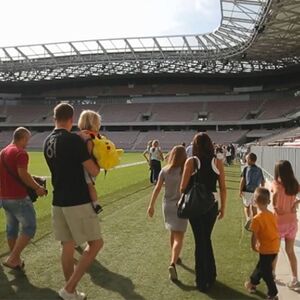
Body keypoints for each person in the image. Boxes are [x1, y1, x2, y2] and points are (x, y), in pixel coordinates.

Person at [43, 103, 103, 300]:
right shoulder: (74, 140)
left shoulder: (47, 141)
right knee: (96, 244)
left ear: (55, 118)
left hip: (58, 200)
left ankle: (72, 292)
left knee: (67, 246)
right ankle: (69, 289)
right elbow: (93, 171)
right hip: (77, 200)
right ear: (71, 118)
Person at [180, 132, 226, 292]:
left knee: (200, 241)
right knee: (206, 238)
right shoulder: (217, 161)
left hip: (196, 206)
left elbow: (182, 187)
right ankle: (211, 275)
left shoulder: (191, 161)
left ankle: (202, 280)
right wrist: (223, 207)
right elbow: (223, 187)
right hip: (212, 205)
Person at [0, 127, 47, 270]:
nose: (28, 142)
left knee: (12, 228)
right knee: (29, 227)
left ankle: (16, 260)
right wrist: (37, 188)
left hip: (4, 197)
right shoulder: (21, 153)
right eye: (28, 139)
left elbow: (16, 173)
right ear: (23, 138)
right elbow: (22, 174)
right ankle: (13, 258)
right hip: (19, 197)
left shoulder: (3, 152)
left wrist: (33, 178)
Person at [147, 145, 187, 281]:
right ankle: (173, 263)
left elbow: (157, 188)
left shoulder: (164, 170)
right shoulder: (185, 171)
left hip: (167, 205)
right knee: (179, 236)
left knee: (172, 232)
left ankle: (174, 256)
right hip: (181, 205)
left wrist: (151, 205)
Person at [245, 187, 280, 300]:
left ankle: (273, 292)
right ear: (269, 202)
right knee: (261, 266)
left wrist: (253, 246)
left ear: (254, 202)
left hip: (266, 249)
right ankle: (252, 283)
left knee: (265, 272)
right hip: (275, 247)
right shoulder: (272, 215)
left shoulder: (256, 219)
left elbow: (254, 235)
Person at [271, 160, 300, 289]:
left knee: (274, 251)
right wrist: (295, 204)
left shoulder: (276, 184)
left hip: (278, 222)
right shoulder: (295, 184)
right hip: (292, 222)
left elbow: (275, 195)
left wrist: (275, 207)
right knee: (290, 251)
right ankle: (295, 279)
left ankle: (272, 275)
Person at [77, 110, 102, 214]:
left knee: (89, 184)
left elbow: (85, 155)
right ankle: (95, 203)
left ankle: (96, 203)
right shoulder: (95, 135)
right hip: (93, 164)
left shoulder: (84, 136)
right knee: (90, 184)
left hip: (87, 166)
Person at [239, 153, 265, 229]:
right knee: (254, 208)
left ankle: (248, 218)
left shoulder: (246, 168)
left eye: (247, 159)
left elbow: (243, 180)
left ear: (249, 160)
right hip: (256, 191)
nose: (246, 160)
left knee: (246, 206)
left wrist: (240, 190)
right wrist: (262, 189)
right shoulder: (259, 170)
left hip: (247, 190)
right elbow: (263, 181)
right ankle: (255, 223)